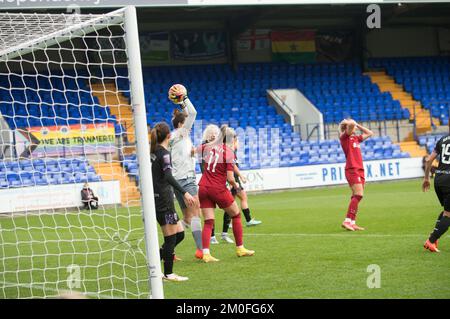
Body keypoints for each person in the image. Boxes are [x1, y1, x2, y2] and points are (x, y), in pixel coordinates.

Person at [197, 125, 255, 262]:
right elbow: (230, 178)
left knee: (208, 221)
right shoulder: (228, 152)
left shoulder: (208, 147)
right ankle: (240, 248)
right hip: (217, 188)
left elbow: (195, 151)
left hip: (203, 187)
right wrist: (236, 186)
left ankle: (206, 254)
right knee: (236, 214)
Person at [150, 122, 195, 281]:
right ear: (168, 136)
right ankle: (168, 273)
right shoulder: (163, 154)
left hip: (160, 200)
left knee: (180, 234)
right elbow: (168, 176)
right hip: (163, 201)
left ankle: (155, 260)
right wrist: (185, 193)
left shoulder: (153, 152)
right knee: (170, 238)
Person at [168, 84, 203, 260]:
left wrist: (191, 154)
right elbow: (194, 113)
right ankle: (201, 251)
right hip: (186, 180)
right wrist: (184, 99)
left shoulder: (174, 138)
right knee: (196, 214)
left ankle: (169, 249)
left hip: (177, 181)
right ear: (182, 124)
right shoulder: (181, 133)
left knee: (188, 218)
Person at [210, 128, 262, 245]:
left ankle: (230, 229)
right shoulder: (228, 151)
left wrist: (240, 176)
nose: (237, 142)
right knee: (231, 207)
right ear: (232, 140)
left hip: (233, 180)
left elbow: (233, 166)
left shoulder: (227, 151)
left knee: (239, 201)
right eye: (236, 140)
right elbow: (231, 168)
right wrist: (235, 181)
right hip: (231, 180)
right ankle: (224, 233)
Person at [339, 119, 373, 231]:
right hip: (352, 169)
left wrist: (358, 124)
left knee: (356, 196)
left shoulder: (356, 138)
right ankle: (347, 220)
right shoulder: (344, 137)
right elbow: (351, 124)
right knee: (359, 194)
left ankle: (352, 222)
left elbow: (370, 133)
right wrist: (351, 122)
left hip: (360, 169)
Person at [422, 128, 450, 253]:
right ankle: (431, 240)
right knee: (449, 215)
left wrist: (426, 178)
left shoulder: (442, 140)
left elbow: (428, 160)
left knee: (446, 211)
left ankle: (435, 235)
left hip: (438, 179)